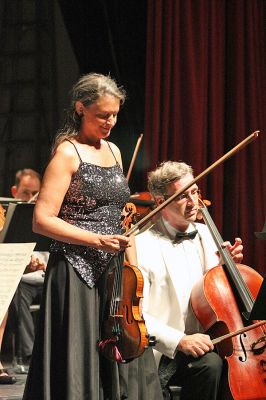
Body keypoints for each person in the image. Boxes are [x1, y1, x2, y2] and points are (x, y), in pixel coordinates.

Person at [23, 73, 163, 400]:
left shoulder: (114, 150)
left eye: (114, 114)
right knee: (78, 358)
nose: (110, 121)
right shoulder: (67, 154)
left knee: (120, 349)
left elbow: (117, 215)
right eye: (103, 115)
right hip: (74, 271)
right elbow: (41, 220)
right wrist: (97, 240)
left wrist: (131, 262)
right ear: (80, 108)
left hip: (113, 271)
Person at [134, 161, 244, 400]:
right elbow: (137, 315)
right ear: (161, 202)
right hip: (165, 351)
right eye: (183, 196)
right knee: (211, 366)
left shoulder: (206, 234)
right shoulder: (142, 245)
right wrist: (180, 340)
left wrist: (228, 269)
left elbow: (215, 299)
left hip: (211, 340)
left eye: (194, 192)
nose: (193, 202)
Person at [9, 169, 48, 369]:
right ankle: (30, 355)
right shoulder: (12, 218)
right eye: (26, 192)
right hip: (24, 281)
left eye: (36, 192)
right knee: (15, 291)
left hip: (46, 278)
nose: (32, 197)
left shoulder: (47, 215)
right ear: (14, 191)